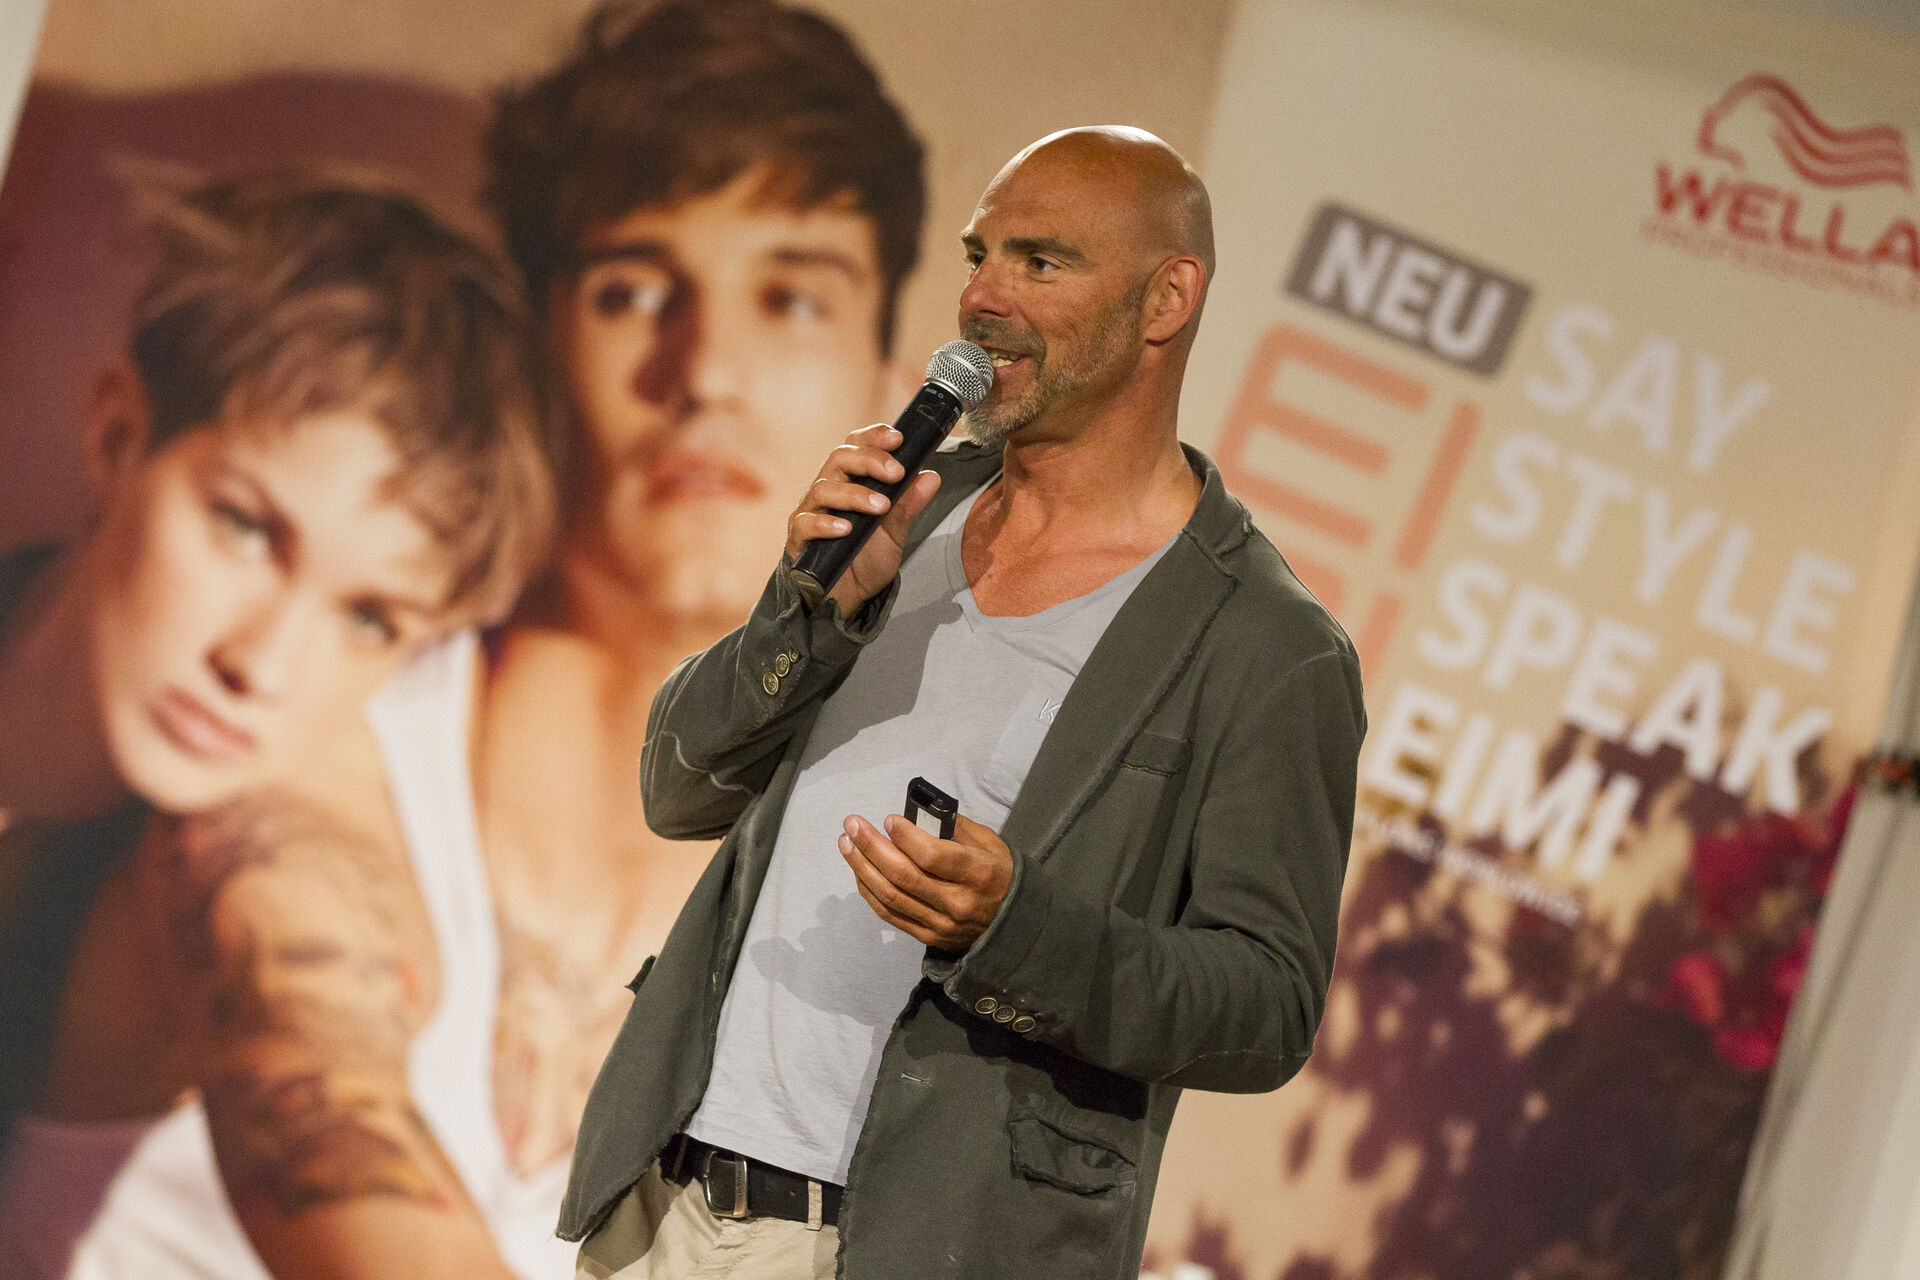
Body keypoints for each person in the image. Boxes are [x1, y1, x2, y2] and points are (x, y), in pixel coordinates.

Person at [9, 3, 928, 1278]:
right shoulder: (306, 733)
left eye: (792, 298)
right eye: (632, 290)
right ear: (537, 346)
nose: (708, 370)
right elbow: (316, 1074)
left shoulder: (863, 921)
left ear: (888, 395)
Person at [561, 125, 1368, 1280]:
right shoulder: (910, 507)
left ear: (1166, 299)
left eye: (1041, 261)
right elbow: (675, 788)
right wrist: (807, 612)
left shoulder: (1265, 646)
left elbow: (1265, 1005)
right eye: (979, 254)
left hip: (911, 1246)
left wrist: (1016, 925)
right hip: (663, 1210)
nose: (982, 296)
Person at [0, 168, 555, 1278]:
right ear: (117, 436)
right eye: (247, 528)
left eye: (368, 617)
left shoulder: (232, 859)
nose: (260, 664)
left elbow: (315, 1050)